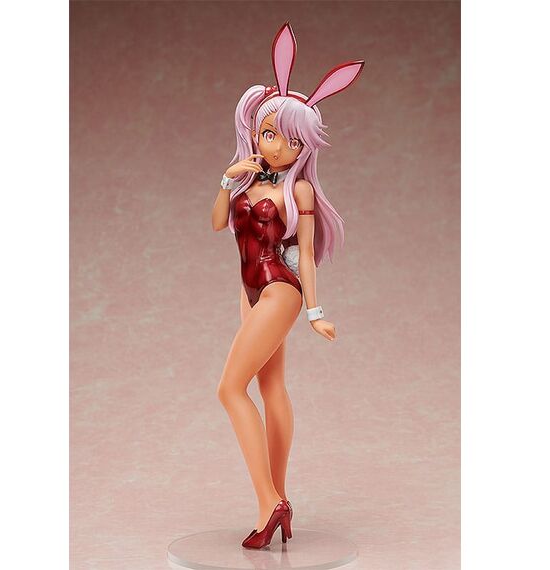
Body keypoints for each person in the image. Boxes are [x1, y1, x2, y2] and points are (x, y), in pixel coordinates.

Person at [211, 21, 365, 549]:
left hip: (280, 289)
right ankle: (281, 499)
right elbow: (217, 224)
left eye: (291, 139)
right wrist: (227, 178)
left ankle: (268, 502)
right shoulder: (247, 178)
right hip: (249, 290)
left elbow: (305, 257)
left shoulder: (299, 191)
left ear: (304, 147)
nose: (277, 144)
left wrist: (316, 312)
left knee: (229, 389)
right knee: (270, 387)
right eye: (270, 132)